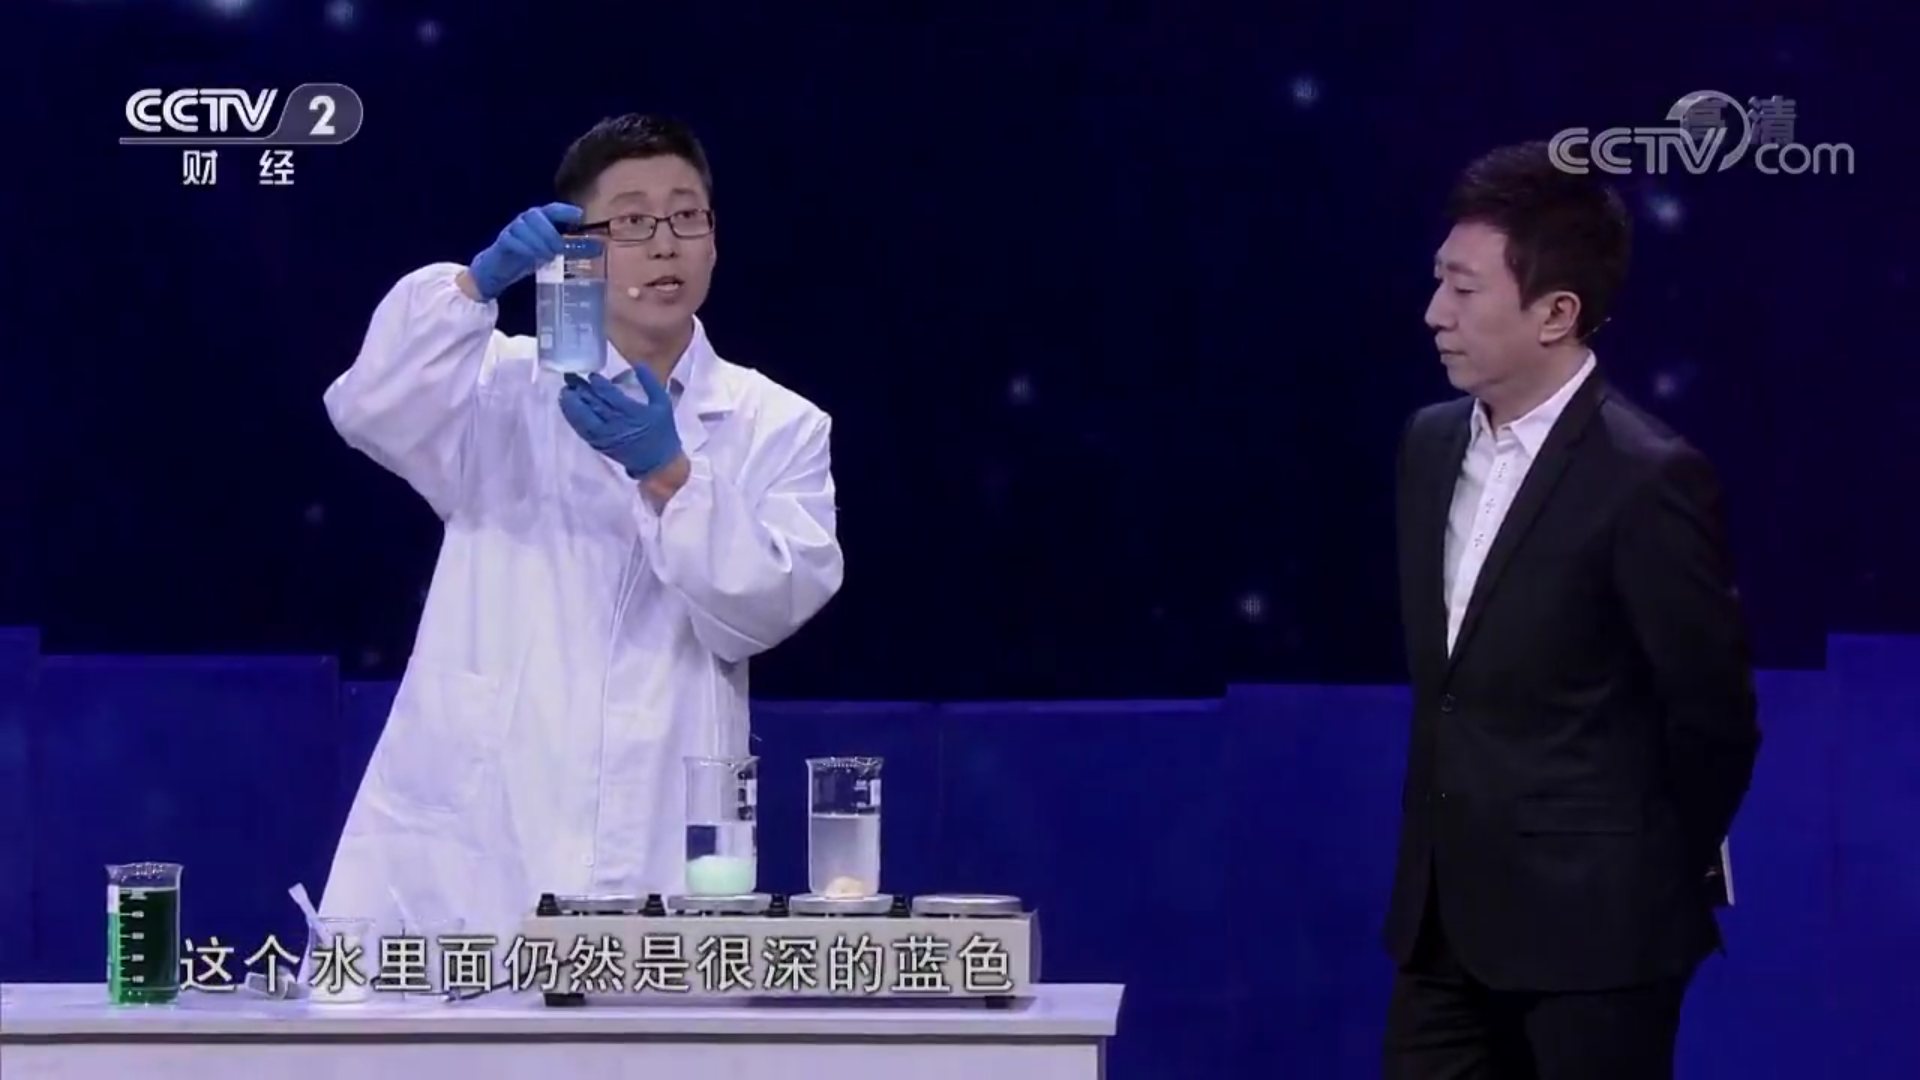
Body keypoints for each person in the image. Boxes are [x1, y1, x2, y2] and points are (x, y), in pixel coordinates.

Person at [316, 114, 845, 962]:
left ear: (714, 241)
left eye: (686, 216)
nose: (664, 243)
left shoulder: (777, 425)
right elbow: (369, 406)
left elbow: (769, 604)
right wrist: (473, 287)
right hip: (481, 848)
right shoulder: (501, 387)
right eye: (631, 220)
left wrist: (672, 476)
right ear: (578, 249)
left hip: (662, 835)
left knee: (641, 1014)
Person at [1381, 141, 1761, 1079]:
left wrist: (1637, 870)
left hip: (1600, 942)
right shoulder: (1428, 447)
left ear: (1557, 312)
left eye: (1464, 289)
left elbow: (1714, 717)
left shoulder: (1647, 478)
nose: (1435, 313)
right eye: (1438, 281)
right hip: (1442, 928)